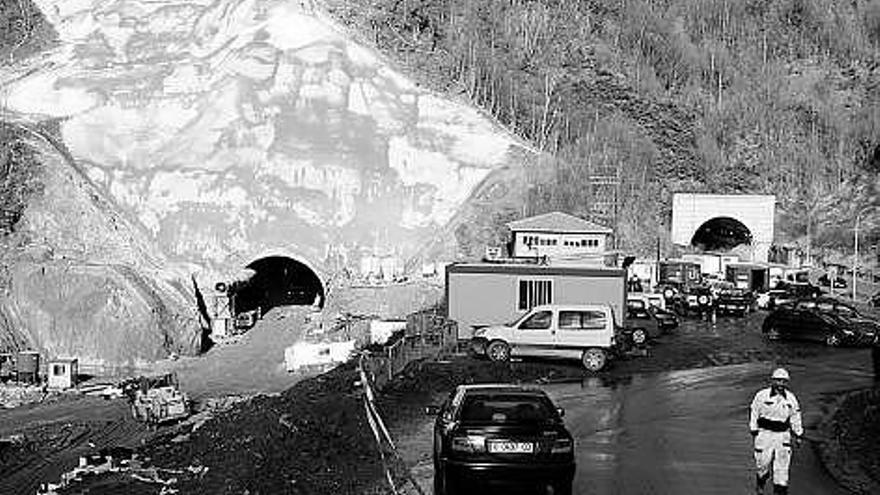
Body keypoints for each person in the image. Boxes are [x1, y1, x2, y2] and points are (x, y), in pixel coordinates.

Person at [749, 367, 803, 495]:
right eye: (778, 381)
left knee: (781, 470)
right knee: (762, 464)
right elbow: (754, 411)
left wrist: (798, 433)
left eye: (783, 381)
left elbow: (795, 416)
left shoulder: (791, 399)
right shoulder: (761, 395)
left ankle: (780, 491)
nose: (780, 384)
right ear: (772, 381)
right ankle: (761, 482)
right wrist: (753, 428)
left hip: (782, 436)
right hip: (764, 434)